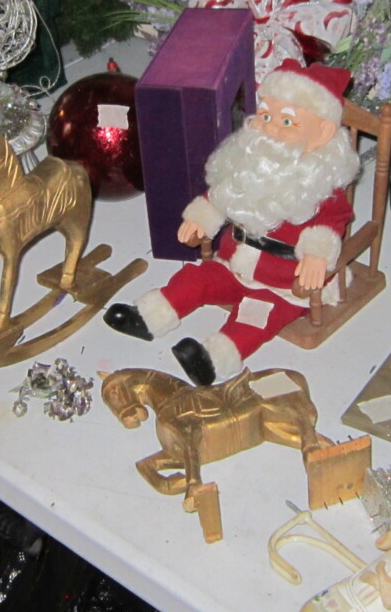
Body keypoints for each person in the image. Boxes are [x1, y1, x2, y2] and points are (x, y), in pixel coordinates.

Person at [104, 60, 361, 385]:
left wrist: (317, 255)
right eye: (265, 115)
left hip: (280, 284)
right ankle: (147, 317)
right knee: (196, 279)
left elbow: (331, 224)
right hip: (232, 263)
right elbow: (223, 194)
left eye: (287, 121)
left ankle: (213, 360)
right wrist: (202, 218)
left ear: (322, 133)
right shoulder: (250, 164)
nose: (270, 128)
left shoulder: (320, 186)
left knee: (255, 314)